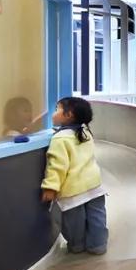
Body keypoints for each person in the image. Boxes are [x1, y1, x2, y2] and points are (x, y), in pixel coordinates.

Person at [40, 97, 108, 254]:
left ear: (68, 114)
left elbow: (57, 166)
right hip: (94, 185)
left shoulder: (60, 139)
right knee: (97, 218)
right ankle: (98, 245)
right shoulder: (85, 132)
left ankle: (77, 245)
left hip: (73, 190)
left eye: (57, 109)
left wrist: (50, 187)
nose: (53, 113)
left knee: (74, 223)